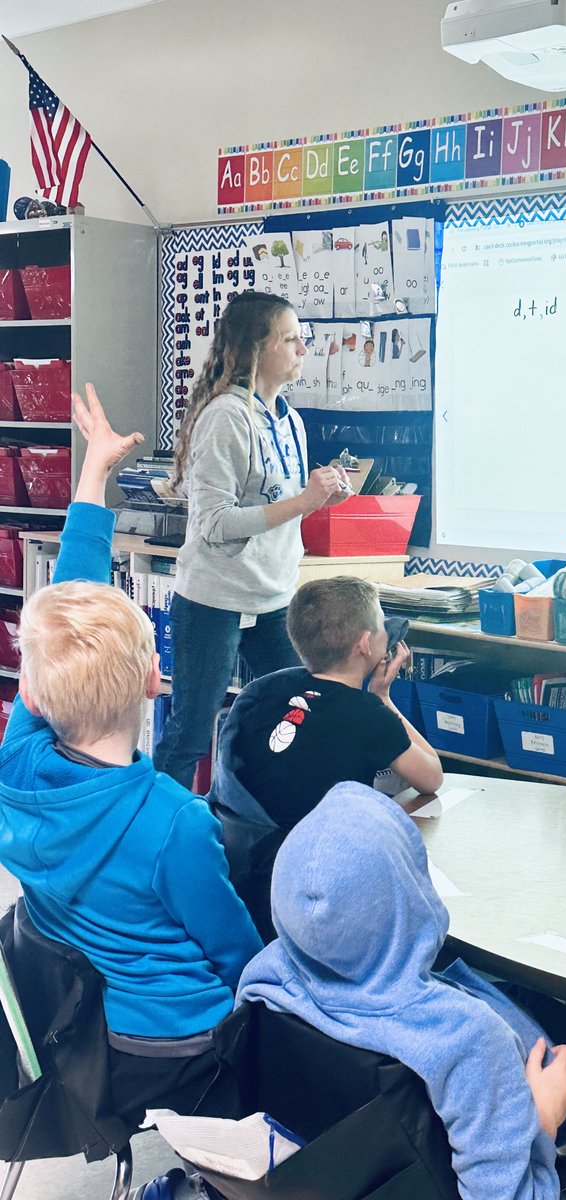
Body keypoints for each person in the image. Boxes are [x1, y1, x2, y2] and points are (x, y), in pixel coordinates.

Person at [238, 783, 566, 1200]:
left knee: (519, 990)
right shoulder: (468, 1042)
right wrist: (542, 1118)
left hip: (376, 1145)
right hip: (531, 1091)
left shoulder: (265, 975)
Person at [0, 385, 263, 1125]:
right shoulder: (175, 821)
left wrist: (94, 474)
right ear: (156, 680)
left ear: (34, 694)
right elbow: (235, 953)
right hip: (175, 1049)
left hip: (75, 1029)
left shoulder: (17, 762)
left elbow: (72, 596)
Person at [154, 290, 350, 789]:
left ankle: (263, 814)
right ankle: (157, 825)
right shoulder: (226, 416)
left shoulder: (291, 419)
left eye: (303, 338)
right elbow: (215, 523)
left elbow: (278, 508)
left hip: (273, 597)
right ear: (257, 350)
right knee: (191, 732)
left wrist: (321, 498)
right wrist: (304, 501)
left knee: (293, 716)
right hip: (214, 600)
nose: (303, 349)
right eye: (291, 339)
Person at [210, 575, 443, 936]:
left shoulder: (262, 689)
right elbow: (432, 777)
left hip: (239, 879)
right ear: (365, 644)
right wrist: (383, 698)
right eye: (382, 625)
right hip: (311, 889)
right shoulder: (368, 715)